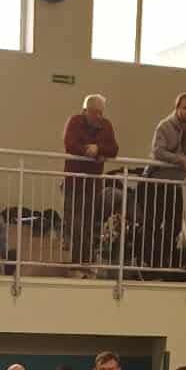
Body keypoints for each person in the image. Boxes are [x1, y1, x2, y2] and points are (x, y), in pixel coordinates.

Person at [144, 94, 186, 269]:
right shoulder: (164, 126)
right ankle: (150, 263)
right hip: (157, 182)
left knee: (175, 224)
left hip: (175, 183)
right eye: (185, 108)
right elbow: (158, 151)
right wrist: (180, 160)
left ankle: (165, 261)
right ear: (177, 108)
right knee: (153, 224)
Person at [62, 94, 118, 263]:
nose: (99, 116)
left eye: (101, 112)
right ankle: (77, 262)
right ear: (85, 110)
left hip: (94, 184)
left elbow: (114, 149)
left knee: (89, 225)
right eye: (95, 112)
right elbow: (70, 144)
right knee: (75, 224)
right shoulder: (74, 122)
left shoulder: (106, 125)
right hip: (74, 181)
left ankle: (86, 262)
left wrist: (98, 149)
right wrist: (89, 151)